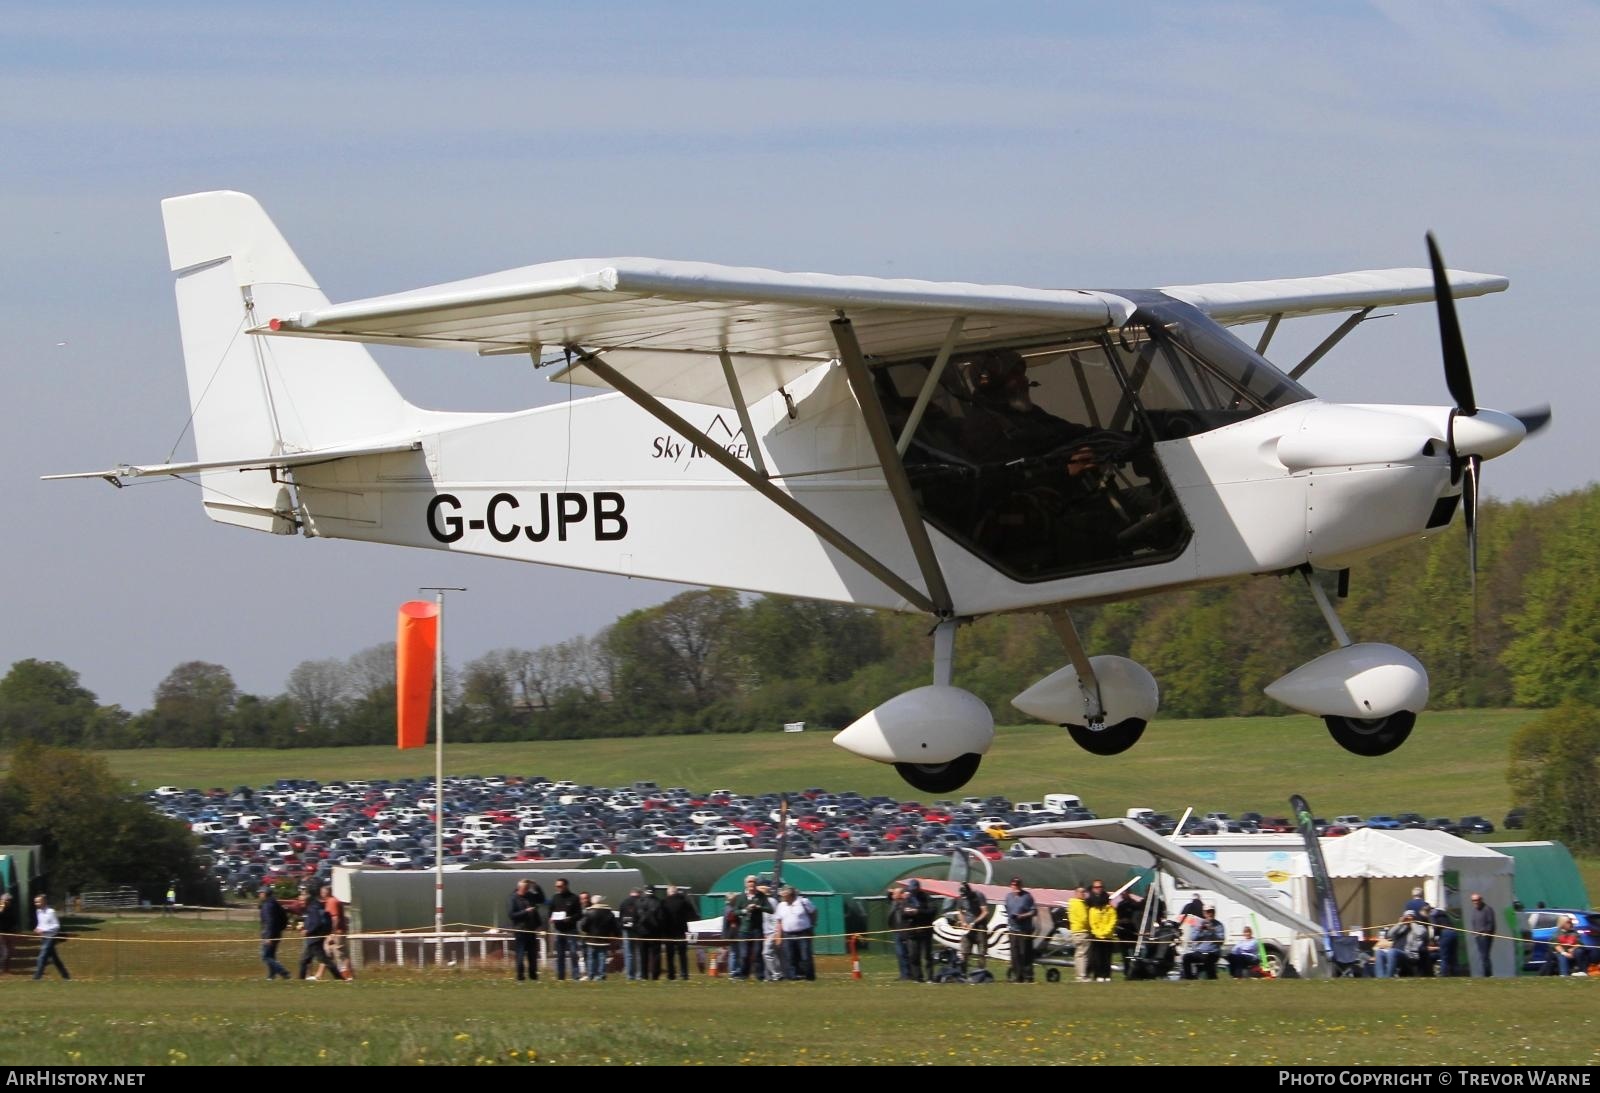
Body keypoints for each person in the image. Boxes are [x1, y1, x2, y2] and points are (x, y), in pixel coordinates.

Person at [297, 886, 344, 980]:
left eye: (302, 901)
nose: (300, 903)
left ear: (307, 900)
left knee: (324, 960)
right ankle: (300, 980)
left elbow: (316, 922)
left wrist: (307, 931)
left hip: (314, 938)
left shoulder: (312, 909)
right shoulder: (316, 906)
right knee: (304, 960)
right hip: (315, 937)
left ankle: (340, 978)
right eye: (300, 901)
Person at [772, 885, 817, 980]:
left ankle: (809, 977)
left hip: (803, 933)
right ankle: (792, 977)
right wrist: (778, 936)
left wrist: (812, 925)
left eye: (784, 896)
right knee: (789, 956)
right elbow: (779, 921)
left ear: (791, 895)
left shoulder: (803, 902)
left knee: (805, 956)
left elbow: (814, 912)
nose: (782, 897)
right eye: (782, 896)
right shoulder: (781, 905)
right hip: (787, 934)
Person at [733, 876, 771, 981]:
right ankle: (743, 976)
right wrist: (745, 911)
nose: (752, 884)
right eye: (749, 882)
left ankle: (760, 976)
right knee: (744, 954)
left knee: (758, 953)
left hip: (757, 930)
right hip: (744, 930)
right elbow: (735, 911)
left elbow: (771, 909)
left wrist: (759, 907)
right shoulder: (741, 897)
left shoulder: (761, 896)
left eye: (753, 882)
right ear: (746, 884)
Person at [507, 878, 545, 981]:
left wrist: (536, 885)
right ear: (519, 888)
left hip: (531, 929)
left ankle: (533, 976)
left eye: (528, 888)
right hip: (520, 930)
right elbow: (511, 914)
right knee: (520, 954)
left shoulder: (530, 896)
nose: (527, 890)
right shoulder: (513, 898)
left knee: (533, 954)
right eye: (525, 888)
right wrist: (525, 911)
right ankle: (520, 976)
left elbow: (541, 899)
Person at [547, 877, 583, 981]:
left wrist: (570, 918)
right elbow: (550, 911)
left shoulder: (574, 898)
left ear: (566, 886)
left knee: (573, 953)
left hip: (571, 930)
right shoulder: (554, 898)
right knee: (560, 955)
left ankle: (575, 976)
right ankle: (560, 977)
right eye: (556, 886)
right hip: (559, 930)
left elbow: (579, 914)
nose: (558, 888)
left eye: (560, 886)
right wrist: (551, 918)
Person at [1004, 877, 1039, 982]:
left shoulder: (1027, 896)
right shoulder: (1008, 897)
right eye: (1014, 884)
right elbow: (1007, 909)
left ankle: (1028, 976)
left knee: (1025, 953)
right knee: (1014, 955)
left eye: (1018, 884)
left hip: (1024, 930)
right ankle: (1017, 976)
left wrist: (1022, 916)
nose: (1016, 886)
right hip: (1012, 929)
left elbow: (1034, 911)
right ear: (1011, 885)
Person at [578, 894, 620, 981]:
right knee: (602, 957)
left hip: (591, 939)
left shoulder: (589, 911)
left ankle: (591, 975)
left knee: (591, 958)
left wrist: (587, 932)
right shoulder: (609, 912)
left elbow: (583, 926)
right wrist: (616, 935)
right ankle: (601, 975)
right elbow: (614, 926)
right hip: (604, 939)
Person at [902, 879, 935, 982]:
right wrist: (907, 913)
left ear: (918, 888)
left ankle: (929, 977)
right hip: (912, 931)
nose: (913, 892)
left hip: (925, 930)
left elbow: (932, 911)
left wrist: (918, 911)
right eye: (911, 890)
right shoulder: (907, 899)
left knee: (927, 955)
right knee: (913, 955)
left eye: (914, 889)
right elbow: (902, 915)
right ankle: (918, 977)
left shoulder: (926, 897)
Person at [660, 885, 695, 980]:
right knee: (682, 954)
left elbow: (661, 917)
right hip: (681, 931)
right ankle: (684, 974)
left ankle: (671, 974)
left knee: (670, 955)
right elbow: (693, 915)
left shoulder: (664, 902)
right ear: (677, 892)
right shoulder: (684, 902)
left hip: (668, 932)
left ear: (668, 893)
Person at [955, 882, 992, 974]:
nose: (964, 897)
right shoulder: (960, 898)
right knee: (964, 951)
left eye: (965, 894)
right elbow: (959, 911)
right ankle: (963, 973)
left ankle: (981, 973)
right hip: (967, 928)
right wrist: (963, 922)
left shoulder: (979, 895)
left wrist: (974, 922)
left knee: (982, 952)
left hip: (979, 927)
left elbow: (985, 912)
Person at [1085, 880, 1117, 982]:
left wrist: (1105, 932)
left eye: (1100, 887)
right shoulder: (1090, 903)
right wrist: (1098, 933)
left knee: (1107, 957)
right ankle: (1097, 974)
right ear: (1093, 888)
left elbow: (1112, 920)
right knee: (1095, 957)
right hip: (1095, 935)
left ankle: (1107, 975)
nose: (1098, 889)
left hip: (1108, 935)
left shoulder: (1109, 905)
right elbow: (1092, 922)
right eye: (1096, 887)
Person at [31, 894, 69, 980]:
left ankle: (37, 977)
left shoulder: (51, 912)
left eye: (38, 901)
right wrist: (38, 928)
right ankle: (66, 976)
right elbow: (41, 923)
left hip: (51, 938)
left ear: (44, 901)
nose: (36, 903)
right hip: (43, 938)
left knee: (42, 956)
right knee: (55, 959)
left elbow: (56, 926)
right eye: (35, 902)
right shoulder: (38, 912)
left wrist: (44, 930)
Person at [1181, 906, 1225, 979]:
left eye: (1212, 912)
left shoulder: (1219, 925)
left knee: (1208, 961)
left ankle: (1213, 979)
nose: (1210, 914)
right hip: (1200, 952)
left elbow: (1220, 941)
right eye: (1208, 912)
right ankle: (1189, 978)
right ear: (1204, 913)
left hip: (1213, 952)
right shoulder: (1199, 924)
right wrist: (1200, 930)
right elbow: (1193, 938)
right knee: (1186, 957)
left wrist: (1212, 931)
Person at [258, 888, 291, 980]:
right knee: (271, 955)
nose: (259, 895)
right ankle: (271, 976)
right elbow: (284, 918)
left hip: (269, 934)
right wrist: (281, 929)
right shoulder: (275, 903)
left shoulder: (268, 905)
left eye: (261, 893)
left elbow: (270, 921)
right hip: (276, 933)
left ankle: (284, 972)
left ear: (265, 894)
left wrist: (269, 936)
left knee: (266, 956)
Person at [634, 886, 666, 981]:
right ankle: (655, 975)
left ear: (645, 891)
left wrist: (637, 929)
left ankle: (644, 975)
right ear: (654, 892)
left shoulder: (639, 902)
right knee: (655, 954)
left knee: (643, 954)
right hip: (655, 932)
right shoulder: (658, 902)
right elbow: (661, 918)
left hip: (641, 932)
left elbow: (635, 918)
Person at [887, 888, 917, 981]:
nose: (893, 896)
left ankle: (910, 974)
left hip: (907, 932)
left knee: (909, 954)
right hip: (897, 932)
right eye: (893, 894)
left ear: (901, 894)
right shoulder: (893, 903)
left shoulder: (907, 903)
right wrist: (890, 891)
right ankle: (903, 974)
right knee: (900, 954)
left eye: (895, 894)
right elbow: (888, 897)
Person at [617, 887, 644, 981]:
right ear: (639, 893)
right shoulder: (641, 902)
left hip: (626, 930)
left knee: (628, 954)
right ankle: (639, 975)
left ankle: (630, 975)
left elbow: (620, 917)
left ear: (630, 893)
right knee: (638, 953)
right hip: (637, 930)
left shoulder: (624, 902)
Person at [1065, 886, 1091, 982]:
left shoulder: (1071, 903)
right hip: (1082, 931)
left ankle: (1078, 975)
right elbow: (1084, 918)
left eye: (1084, 892)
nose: (1083, 894)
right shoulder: (1079, 904)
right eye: (1081, 892)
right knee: (1083, 954)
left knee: (1078, 954)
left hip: (1075, 931)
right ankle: (1082, 976)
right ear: (1076, 893)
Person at [1468, 893, 1497, 977]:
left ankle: (1487, 974)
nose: (1475, 902)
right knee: (1482, 955)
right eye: (1473, 900)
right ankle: (1486, 973)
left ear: (1481, 900)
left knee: (1485, 955)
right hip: (1478, 936)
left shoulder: (1487, 909)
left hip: (1485, 936)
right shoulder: (1474, 910)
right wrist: (1474, 931)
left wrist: (1487, 932)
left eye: (1477, 900)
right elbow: (1474, 922)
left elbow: (1491, 922)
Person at [1429, 905, 1457, 977]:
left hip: (1445, 933)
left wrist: (1434, 938)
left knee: (1444, 956)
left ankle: (1445, 975)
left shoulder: (1432, 914)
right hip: (1454, 932)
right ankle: (1455, 974)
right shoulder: (1443, 913)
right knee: (1453, 956)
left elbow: (1435, 926)